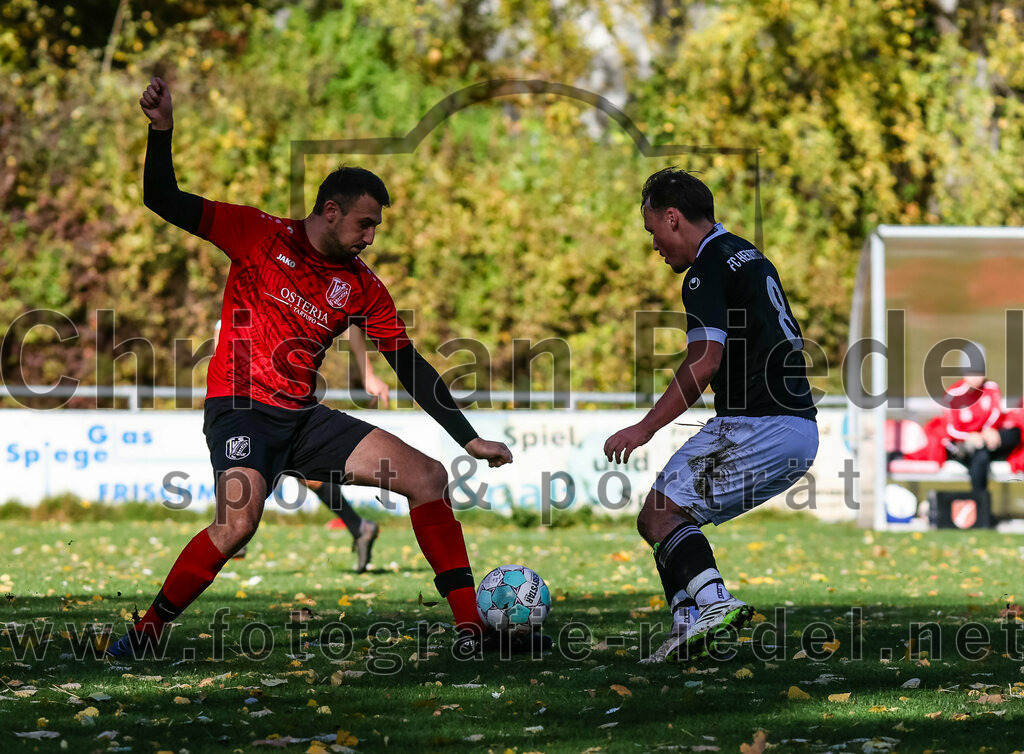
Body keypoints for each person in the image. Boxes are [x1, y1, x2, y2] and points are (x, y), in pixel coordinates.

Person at [108, 77, 543, 658]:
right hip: (241, 408)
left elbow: (408, 364)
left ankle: (473, 631)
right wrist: (161, 130)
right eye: (365, 224)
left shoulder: (363, 287)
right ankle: (146, 633)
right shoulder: (257, 233)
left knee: (428, 477)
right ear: (330, 211)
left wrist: (469, 438)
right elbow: (162, 197)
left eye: (376, 227)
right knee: (237, 526)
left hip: (302, 418)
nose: (371, 237)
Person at [604, 168, 819, 663]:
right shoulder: (746, 252)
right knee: (660, 517)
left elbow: (704, 362)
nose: (655, 245)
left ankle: (715, 603)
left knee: (661, 515)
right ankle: (687, 626)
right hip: (796, 425)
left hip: (759, 422)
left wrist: (643, 428)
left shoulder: (706, 270)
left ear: (672, 217)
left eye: (652, 230)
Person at [214, 319, 386, 572]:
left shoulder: (295, 303)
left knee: (284, 469)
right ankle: (360, 527)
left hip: (288, 401)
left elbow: (349, 323)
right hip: (249, 404)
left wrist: (367, 374)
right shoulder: (237, 313)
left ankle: (234, 530)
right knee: (273, 467)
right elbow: (221, 347)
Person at [941, 345, 1023, 494]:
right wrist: (970, 437)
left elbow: (995, 414)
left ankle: (979, 502)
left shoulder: (991, 388)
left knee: (1014, 433)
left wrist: (987, 432)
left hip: (988, 441)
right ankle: (980, 500)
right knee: (981, 454)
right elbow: (950, 429)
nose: (976, 377)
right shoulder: (952, 396)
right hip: (965, 445)